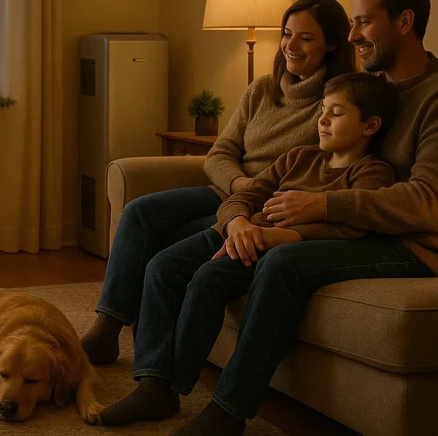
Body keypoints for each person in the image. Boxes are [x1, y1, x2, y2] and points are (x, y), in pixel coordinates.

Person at [167, 0, 438, 436]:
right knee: (213, 256)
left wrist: (320, 208)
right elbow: (305, 160)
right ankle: (164, 381)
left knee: (284, 262)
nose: (352, 35)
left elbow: (428, 203)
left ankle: (229, 412)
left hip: (407, 245)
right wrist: (243, 216)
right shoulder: (363, 88)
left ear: (405, 21)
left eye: (363, 23)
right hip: (345, 231)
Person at [98, 71, 399, 428]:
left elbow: (350, 226)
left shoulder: (371, 174)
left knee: (208, 277)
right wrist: (237, 223)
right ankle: (152, 382)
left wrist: (275, 236)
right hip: (240, 230)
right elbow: (243, 196)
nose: (321, 120)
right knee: (162, 267)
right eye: (322, 110)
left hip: (267, 245)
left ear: (370, 125)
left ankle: (171, 386)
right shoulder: (298, 158)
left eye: (336, 113)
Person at [81, 0, 355, 365]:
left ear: (333, 43)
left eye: (306, 38)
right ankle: (108, 327)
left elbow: (326, 170)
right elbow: (220, 153)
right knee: (140, 211)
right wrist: (239, 185)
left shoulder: (337, 103)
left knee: (175, 238)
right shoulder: (262, 89)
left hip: (266, 207)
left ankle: (156, 362)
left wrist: (252, 197)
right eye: (287, 34)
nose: (290, 46)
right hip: (231, 190)